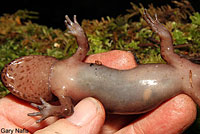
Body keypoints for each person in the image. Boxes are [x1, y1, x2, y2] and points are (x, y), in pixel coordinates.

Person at [0, 50, 196, 134]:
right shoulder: (69, 65)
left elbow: (66, 111)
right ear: (42, 59)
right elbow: (68, 112)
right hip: (136, 99)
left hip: (140, 95)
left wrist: (50, 110)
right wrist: (51, 110)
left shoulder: (62, 91)